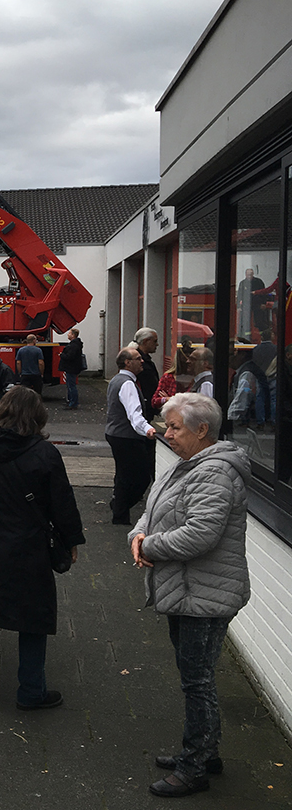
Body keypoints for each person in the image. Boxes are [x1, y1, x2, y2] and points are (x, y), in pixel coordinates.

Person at [128, 393, 249, 798]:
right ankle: (203, 750)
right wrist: (138, 534)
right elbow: (153, 505)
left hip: (205, 595)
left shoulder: (214, 472)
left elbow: (202, 533)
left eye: (175, 427)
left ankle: (196, 766)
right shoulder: (188, 465)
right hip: (188, 591)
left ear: (202, 430)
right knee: (195, 678)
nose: (167, 433)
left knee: (197, 682)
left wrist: (149, 547)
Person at [0, 386, 85, 707]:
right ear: (37, 415)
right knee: (32, 618)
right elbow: (61, 503)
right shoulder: (45, 454)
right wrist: (71, 540)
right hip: (26, 547)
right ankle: (31, 691)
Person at [106, 347, 157, 526]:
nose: (142, 361)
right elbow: (134, 414)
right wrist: (148, 430)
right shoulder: (127, 384)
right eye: (137, 358)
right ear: (127, 362)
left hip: (115, 433)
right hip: (126, 436)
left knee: (123, 475)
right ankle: (120, 509)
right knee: (140, 476)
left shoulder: (116, 380)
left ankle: (119, 510)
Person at [132, 328, 160, 419]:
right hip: (143, 407)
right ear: (145, 341)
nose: (157, 344)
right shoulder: (139, 362)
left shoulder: (145, 360)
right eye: (154, 341)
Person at [58, 328, 85, 410]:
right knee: (70, 385)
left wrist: (61, 355)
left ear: (73, 335)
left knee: (71, 386)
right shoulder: (76, 344)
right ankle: (71, 401)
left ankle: (73, 403)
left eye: (69, 333)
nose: (68, 335)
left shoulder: (73, 346)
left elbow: (70, 357)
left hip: (71, 368)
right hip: (73, 368)